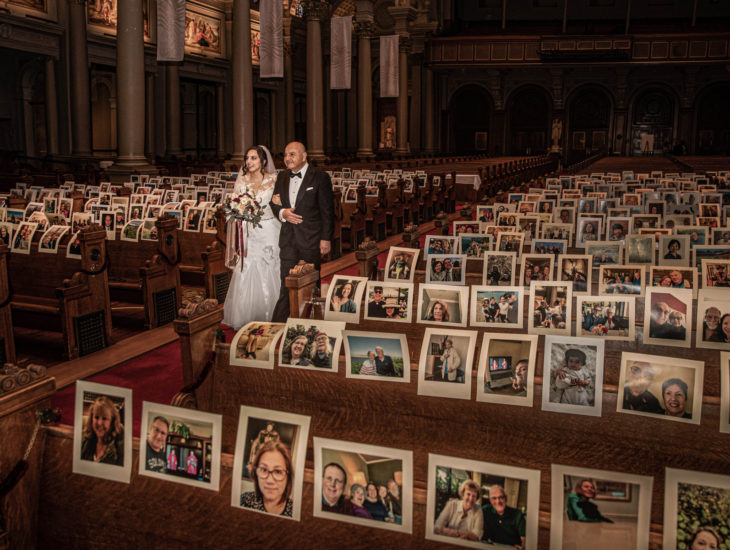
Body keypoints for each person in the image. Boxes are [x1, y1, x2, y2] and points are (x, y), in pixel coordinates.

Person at [270, 142, 334, 322]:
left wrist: (325, 239)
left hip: (311, 239)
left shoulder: (320, 177)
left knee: (312, 284)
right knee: (286, 284)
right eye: (285, 155)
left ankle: (313, 323)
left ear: (304, 156)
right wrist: (283, 213)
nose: (287, 159)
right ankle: (278, 327)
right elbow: (273, 205)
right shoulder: (282, 176)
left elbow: (327, 211)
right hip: (288, 238)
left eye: (292, 154)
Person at [223, 145, 281, 330]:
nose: (249, 162)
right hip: (249, 231)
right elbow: (235, 206)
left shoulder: (274, 180)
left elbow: (280, 204)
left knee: (270, 265)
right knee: (246, 266)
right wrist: (239, 211)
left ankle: (274, 312)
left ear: (263, 161)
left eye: (254, 158)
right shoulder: (242, 182)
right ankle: (246, 313)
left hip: (269, 229)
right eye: (247, 158)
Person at [240, 440, 294, 517]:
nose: (270, 481)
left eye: (278, 471)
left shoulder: (295, 511)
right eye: (264, 470)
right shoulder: (244, 501)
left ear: (288, 476)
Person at [79, 396, 124, 466]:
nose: (99, 423)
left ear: (112, 422)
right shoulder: (84, 440)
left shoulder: (120, 449)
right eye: (96, 417)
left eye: (104, 418)